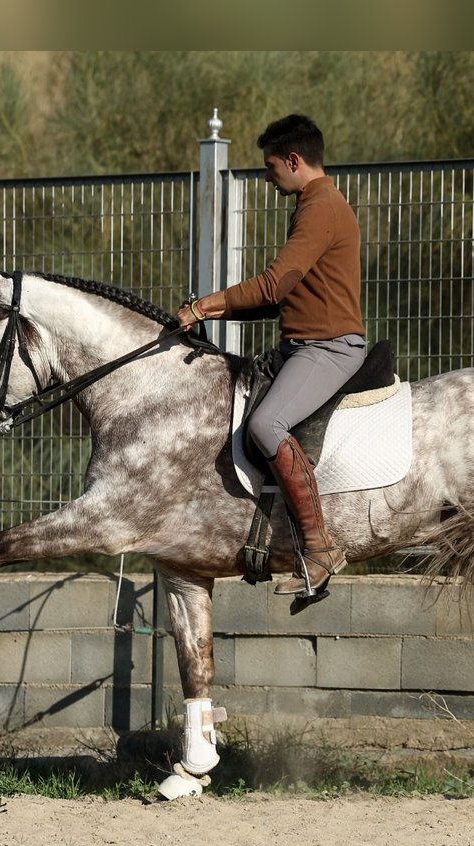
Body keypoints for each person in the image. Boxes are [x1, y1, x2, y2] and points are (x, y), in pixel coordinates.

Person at [178, 113, 365, 597]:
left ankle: (320, 549)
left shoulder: (320, 206)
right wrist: (207, 316)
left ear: (294, 160)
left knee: (265, 426)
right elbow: (279, 299)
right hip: (305, 346)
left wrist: (204, 304)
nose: (266, 176)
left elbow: (273, 283)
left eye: (270, 166)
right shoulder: (315, 203)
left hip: (328, 349)